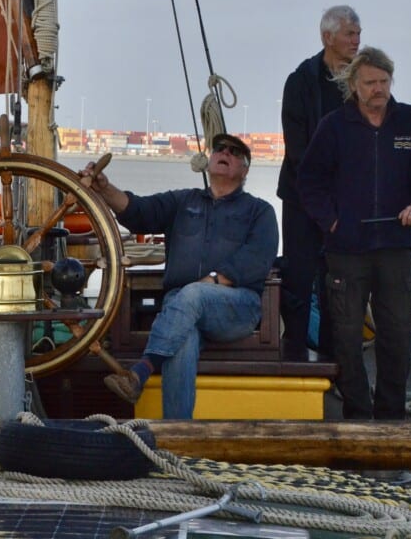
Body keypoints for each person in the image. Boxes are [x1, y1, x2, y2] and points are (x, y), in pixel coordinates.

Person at [85, 133, 278, 418]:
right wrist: (104, 188)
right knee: (182, 339)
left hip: (237, 307)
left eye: (235, 152)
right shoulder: (182, 202)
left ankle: (141, 371)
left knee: (191, 294)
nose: (225, 152)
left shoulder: (260, 211)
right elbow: (137, 210)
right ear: (208, 160)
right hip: (183, 308)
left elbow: (256, 261)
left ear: (245, 170)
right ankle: (175, 439)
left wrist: (211, 282)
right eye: (220, 149)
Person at [298, 46, 411, 420]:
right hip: (346, 249)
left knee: (397, 335)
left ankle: (391, 415)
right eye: (370, 83)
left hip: (396, 246)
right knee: (345, 338)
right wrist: (330, 221)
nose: (378, 89)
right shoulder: (334, 126)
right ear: (353, 85)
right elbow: (309, 181)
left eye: (384, 81)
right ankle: (358, 414)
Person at [276, 5, 361, 359]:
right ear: (328, 38)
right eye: (350, 34)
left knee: (338, 281)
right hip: (301, 197)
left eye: (358, 33)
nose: (357, 40)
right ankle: (294, 352)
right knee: (298, 275)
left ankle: (333, 356)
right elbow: (297, 146)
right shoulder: (301, 80)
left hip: (345, 202)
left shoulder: (362, 81)